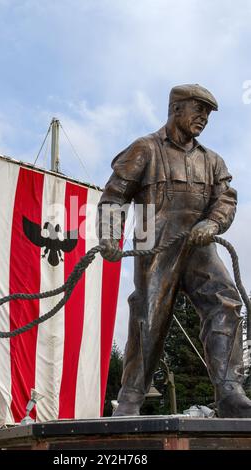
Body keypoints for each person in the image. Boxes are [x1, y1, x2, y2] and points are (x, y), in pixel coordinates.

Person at [97, 83, 251, 418]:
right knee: (149, 314)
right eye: (199, 110)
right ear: (176, 108)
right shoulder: (145, 149)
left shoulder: (212, 160)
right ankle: (131, 397)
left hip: (199, 245)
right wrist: (110, 236)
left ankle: (228, 390)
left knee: (225, 301)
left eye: (208, 113)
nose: (204, 119)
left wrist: (212, 223)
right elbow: (114, 196)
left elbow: (225, 200)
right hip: (155, 243)